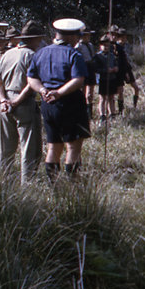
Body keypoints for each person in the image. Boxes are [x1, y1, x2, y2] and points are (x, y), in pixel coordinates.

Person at [28, 18, 91, 179]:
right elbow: (78, 80)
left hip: (48, 105)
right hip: (70, 104)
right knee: (73, 148)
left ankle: (53, 187)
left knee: (53, 147)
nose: (79, 39)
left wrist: (43, 90)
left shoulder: (41, 53)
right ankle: (73, 186)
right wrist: (59, 93)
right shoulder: (73, 54)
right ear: (71, 37)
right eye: (78, 36)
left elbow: (31, 78)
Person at [0, 20, 45, 183]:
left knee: (5, 147)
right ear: (33, 39)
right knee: (29, 147)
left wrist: (3, 100)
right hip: (23, 102)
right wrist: (16, 101)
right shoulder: (32, 56)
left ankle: (3, 182)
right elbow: (32, 83)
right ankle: (27, 184)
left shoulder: (7, 54)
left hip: (5, 103)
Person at [93, 33, 118, 120]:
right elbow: (96, 69)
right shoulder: (97, 56)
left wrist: (115, 68)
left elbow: (116, 64)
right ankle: (102, 116)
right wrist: (105, 71)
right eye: (104, 45)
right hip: (102, 79)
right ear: (100, 46)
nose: (106, 47)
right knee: (102, 99)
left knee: (111, 97)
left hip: (112, 79)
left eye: (107, 45)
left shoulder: (112, 55)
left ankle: (112, 114)